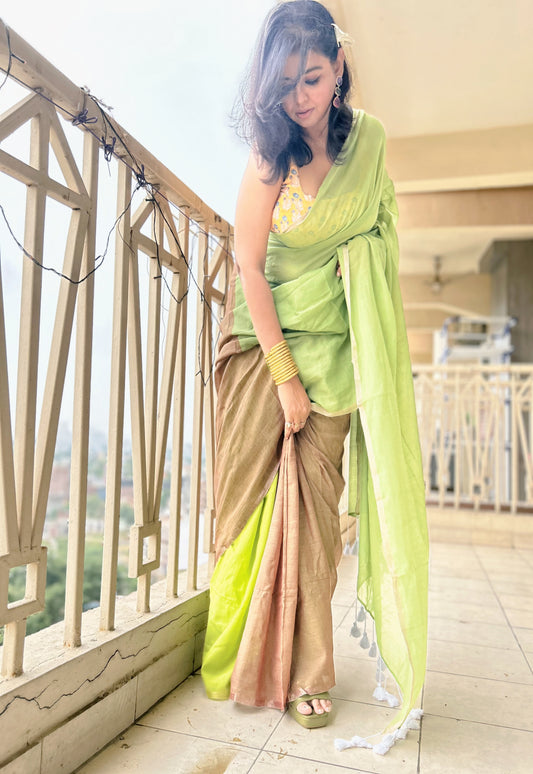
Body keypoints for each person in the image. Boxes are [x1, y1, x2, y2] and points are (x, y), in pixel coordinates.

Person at [201, 0, 429, 742]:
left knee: (317, 528)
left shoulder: (368, 145)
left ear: (338, 71)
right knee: (245, 515)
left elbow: (376, 230)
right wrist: (282, 378)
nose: (298, 95)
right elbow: (246, 264)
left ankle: (307, 673)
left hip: (335, 350)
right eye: (285, 81)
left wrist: (353, 266)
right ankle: (243, 651)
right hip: (262, 349)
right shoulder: (270, 156)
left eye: (312, 77)